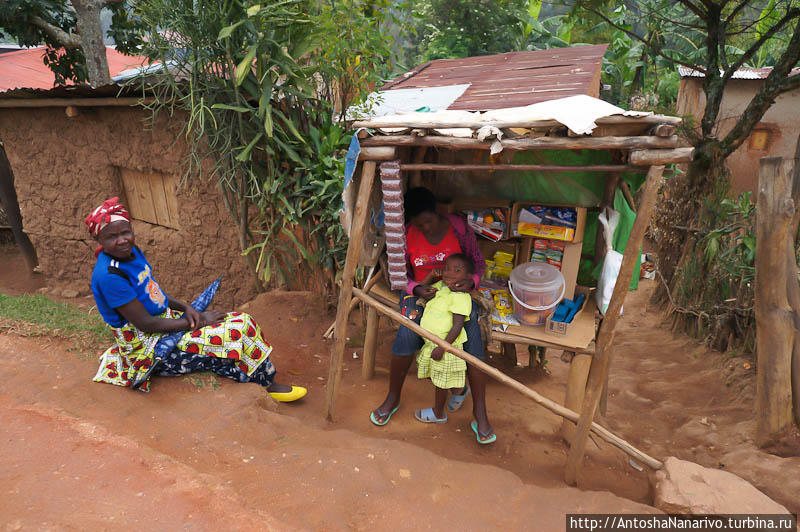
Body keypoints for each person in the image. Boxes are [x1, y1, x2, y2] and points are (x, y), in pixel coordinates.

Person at [85, 197, 306, 401]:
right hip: (147, 347)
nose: (122, 240)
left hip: (163, 322)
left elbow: (152, 293)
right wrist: (198, 320)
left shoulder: (132, 253)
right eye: (111, 237)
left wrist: (185, 307)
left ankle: (266, 380)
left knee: (243, 322)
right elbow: (146, 325)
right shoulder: (109, 276)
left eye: (125, 232)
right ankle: (265, 386)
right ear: (98, 240)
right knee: (232, 334)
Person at [370, 187, 496, 444]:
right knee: (406, 334)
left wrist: (470, 283)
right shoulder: (405, 234)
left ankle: (480, 412)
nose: (425, 228)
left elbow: (478, 264)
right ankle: (393, 397)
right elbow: (397, 274)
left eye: (428, 221)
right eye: (419, 224)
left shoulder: (458, 228)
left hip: (457, 295)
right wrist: (415, 288)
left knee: (472, 338)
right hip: (423, 295)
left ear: (437, 212)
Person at [413, 254, 473, 425]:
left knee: (440, 382)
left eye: (457, 270)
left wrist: (443, 347)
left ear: (468, 278)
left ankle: (438, 413)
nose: (449, 273)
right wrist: (432, 276)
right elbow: (423, 291)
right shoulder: (442, 287)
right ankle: (459, 391)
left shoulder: (462, 297)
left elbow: (457, 326)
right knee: (435, 375)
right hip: (432, 343)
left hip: (447, 347)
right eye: (447, 269)